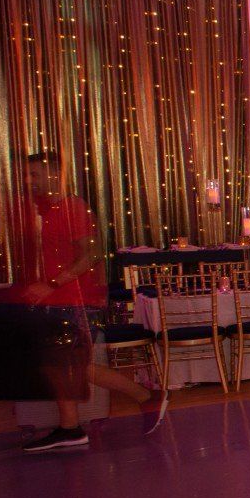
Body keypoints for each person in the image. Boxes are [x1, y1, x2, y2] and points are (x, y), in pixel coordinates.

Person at [16, 152, 165, 453]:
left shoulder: (73, 208)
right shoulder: (48, 211)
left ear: (56, 175)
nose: (28, 180)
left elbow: (92, 254)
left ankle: (143, 399)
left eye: (35, 174)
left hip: (76, 299)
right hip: (61, 299)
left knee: (69, 364)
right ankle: (72, 427)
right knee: (65, 365)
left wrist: (52, 283)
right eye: (26, 174)